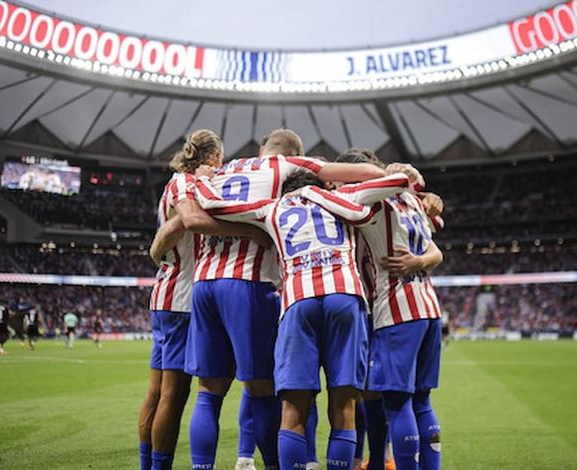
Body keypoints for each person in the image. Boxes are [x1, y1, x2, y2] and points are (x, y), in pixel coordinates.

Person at [184, 128, 387, 470]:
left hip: (204, 281)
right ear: (295, 155)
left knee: (208, 393)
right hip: (253, 282)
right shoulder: (286, 167)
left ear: (262, 147)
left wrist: (197, 179)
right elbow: (371, 175)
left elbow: (194, 214)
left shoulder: (223, 169)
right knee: (270, 391)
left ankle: (222, 462)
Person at [140, 129, 272, 470]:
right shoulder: (185, 184)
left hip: (169, 295)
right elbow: (191, 221)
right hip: (182, 299)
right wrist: (250, 231)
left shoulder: (183, 184)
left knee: (158, 394)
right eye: (221, 157)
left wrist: (155, 250)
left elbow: (168, 232)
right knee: (175, 395)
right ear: (213, 157)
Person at [332, 152, 445, 470]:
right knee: (422, 401)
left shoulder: (368, 203)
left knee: (396, 402)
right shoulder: (410, 201)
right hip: (429, 307)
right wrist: (422, 190)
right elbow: (437, 227)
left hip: (395, 310)